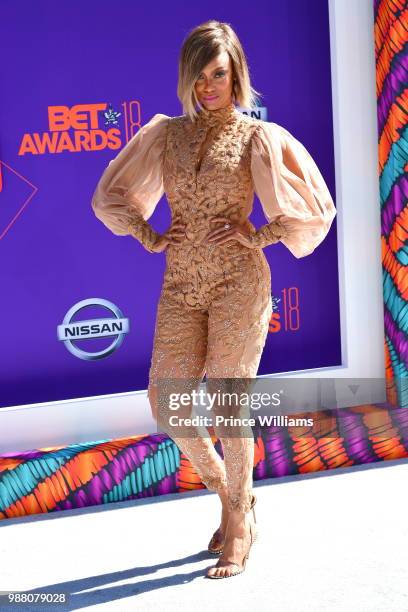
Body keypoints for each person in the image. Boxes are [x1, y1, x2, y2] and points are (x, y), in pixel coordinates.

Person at [91, 20, 336, 579]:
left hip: (238, 283)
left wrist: (260, 235)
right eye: (199, 77)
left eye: (218, 75)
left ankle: (238, 528)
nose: (208, 87)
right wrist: (151, 237)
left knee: (228, 401)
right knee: (167, 403)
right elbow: (111, 196)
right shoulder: (166, 134)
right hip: (180, 282)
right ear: (187, 79)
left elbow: (312, 208)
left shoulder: (257, 136)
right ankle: (236, 500)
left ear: (236, 75)